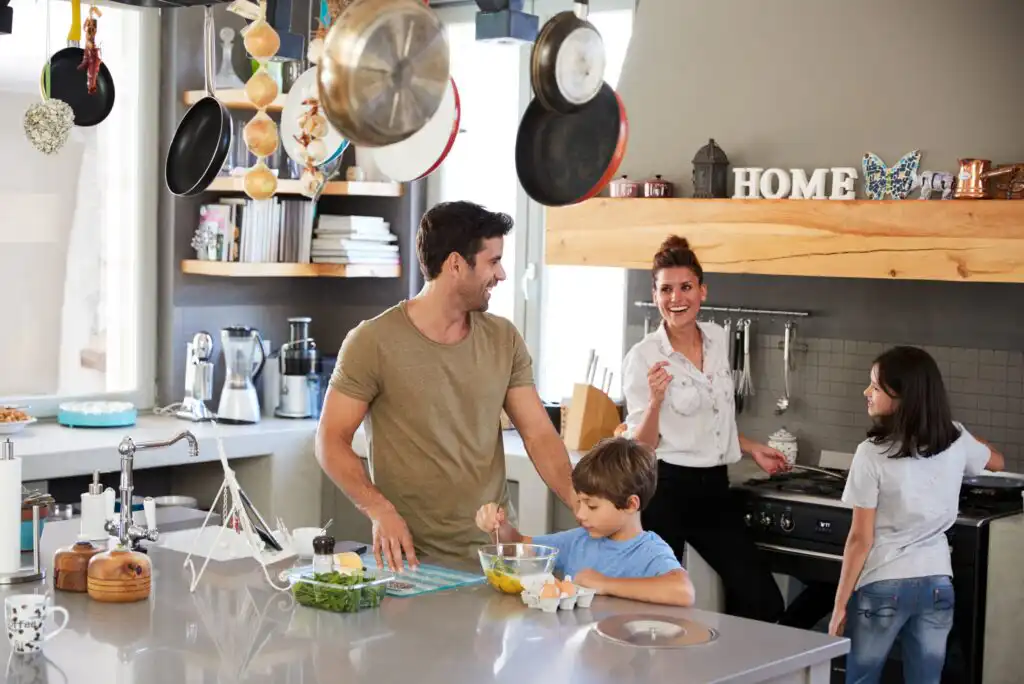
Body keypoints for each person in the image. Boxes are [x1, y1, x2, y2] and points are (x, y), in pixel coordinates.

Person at [316, 201, 576, 571]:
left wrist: (578, 502)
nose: (501, 274)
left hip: (493, 556)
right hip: (411, 562)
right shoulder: (372, 341)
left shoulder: (503, 338)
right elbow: (330, 439)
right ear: (456, 264)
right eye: (493, 261)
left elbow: (538, 434)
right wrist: (379, 510)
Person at [620, 235, 788, 622]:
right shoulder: (643, 356)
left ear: (702, 290)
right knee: (659, 609)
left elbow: (711, 418)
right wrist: (657, 401)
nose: (676, 298)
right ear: (655, 294)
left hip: (713, 487)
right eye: (666, 289)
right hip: (665, 488)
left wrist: (749, 446)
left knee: (762, 600)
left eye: (685, 287)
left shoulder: (717, 337)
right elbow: (642, 447)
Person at [828, 346, 1004, 684]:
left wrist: (839, 606)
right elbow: (997, 461)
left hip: (883, 583)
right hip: (937, 585)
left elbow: (860, 539)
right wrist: (962, 435)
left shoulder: (872, 454)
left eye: (875, 387)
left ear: (901, 397)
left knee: (861, 680)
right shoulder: (955, 439)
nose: (866, 392)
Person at [476, 436, 695, 607]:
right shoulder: (578, 540)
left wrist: (605, 584)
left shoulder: (649, 550)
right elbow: (521, 546)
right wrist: (499, 526)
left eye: (592, 506)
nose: (580, 514)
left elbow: (683, 591)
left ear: (630, 504)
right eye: (579, 503)